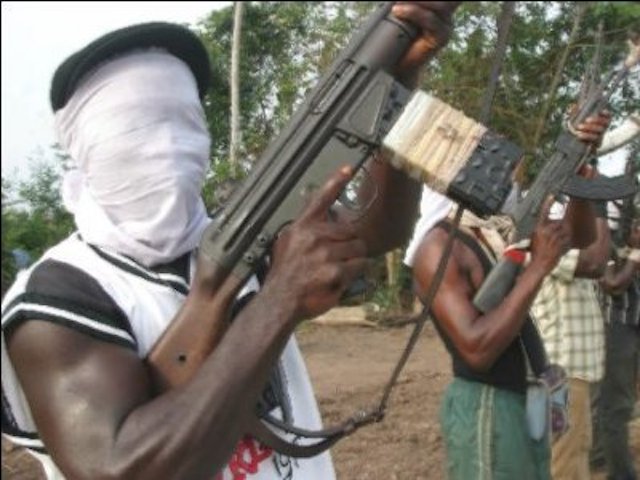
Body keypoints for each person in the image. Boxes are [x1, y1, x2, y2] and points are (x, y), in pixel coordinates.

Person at [0, 4, 458, 480]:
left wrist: (400, 80)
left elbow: (378, 232)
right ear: (84, 146)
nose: (168, 144)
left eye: (183, 118)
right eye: (135, 125)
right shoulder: (56, 296)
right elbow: (118, 469)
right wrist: (279, 298)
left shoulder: (239, 234)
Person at [405, 113, 611, 480]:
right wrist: (538, 267)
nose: (507, 172)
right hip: (490, 406)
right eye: (492, 160)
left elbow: (579, 238)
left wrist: (579, 170)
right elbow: (476, 349)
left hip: (532, 398)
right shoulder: (438, 249)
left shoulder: (499, 232)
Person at [529, 165, 612, 480]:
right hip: (563, 376)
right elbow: (596, 262)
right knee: (564, 465)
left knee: (565, 458)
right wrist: (599, 202)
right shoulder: (545, 244)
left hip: (563, 375)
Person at [595, 216, 640, 480]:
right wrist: (634, 256)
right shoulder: (605, 240)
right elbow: (612, 285)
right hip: (618, 325)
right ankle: (619, 474)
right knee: (616, 404)